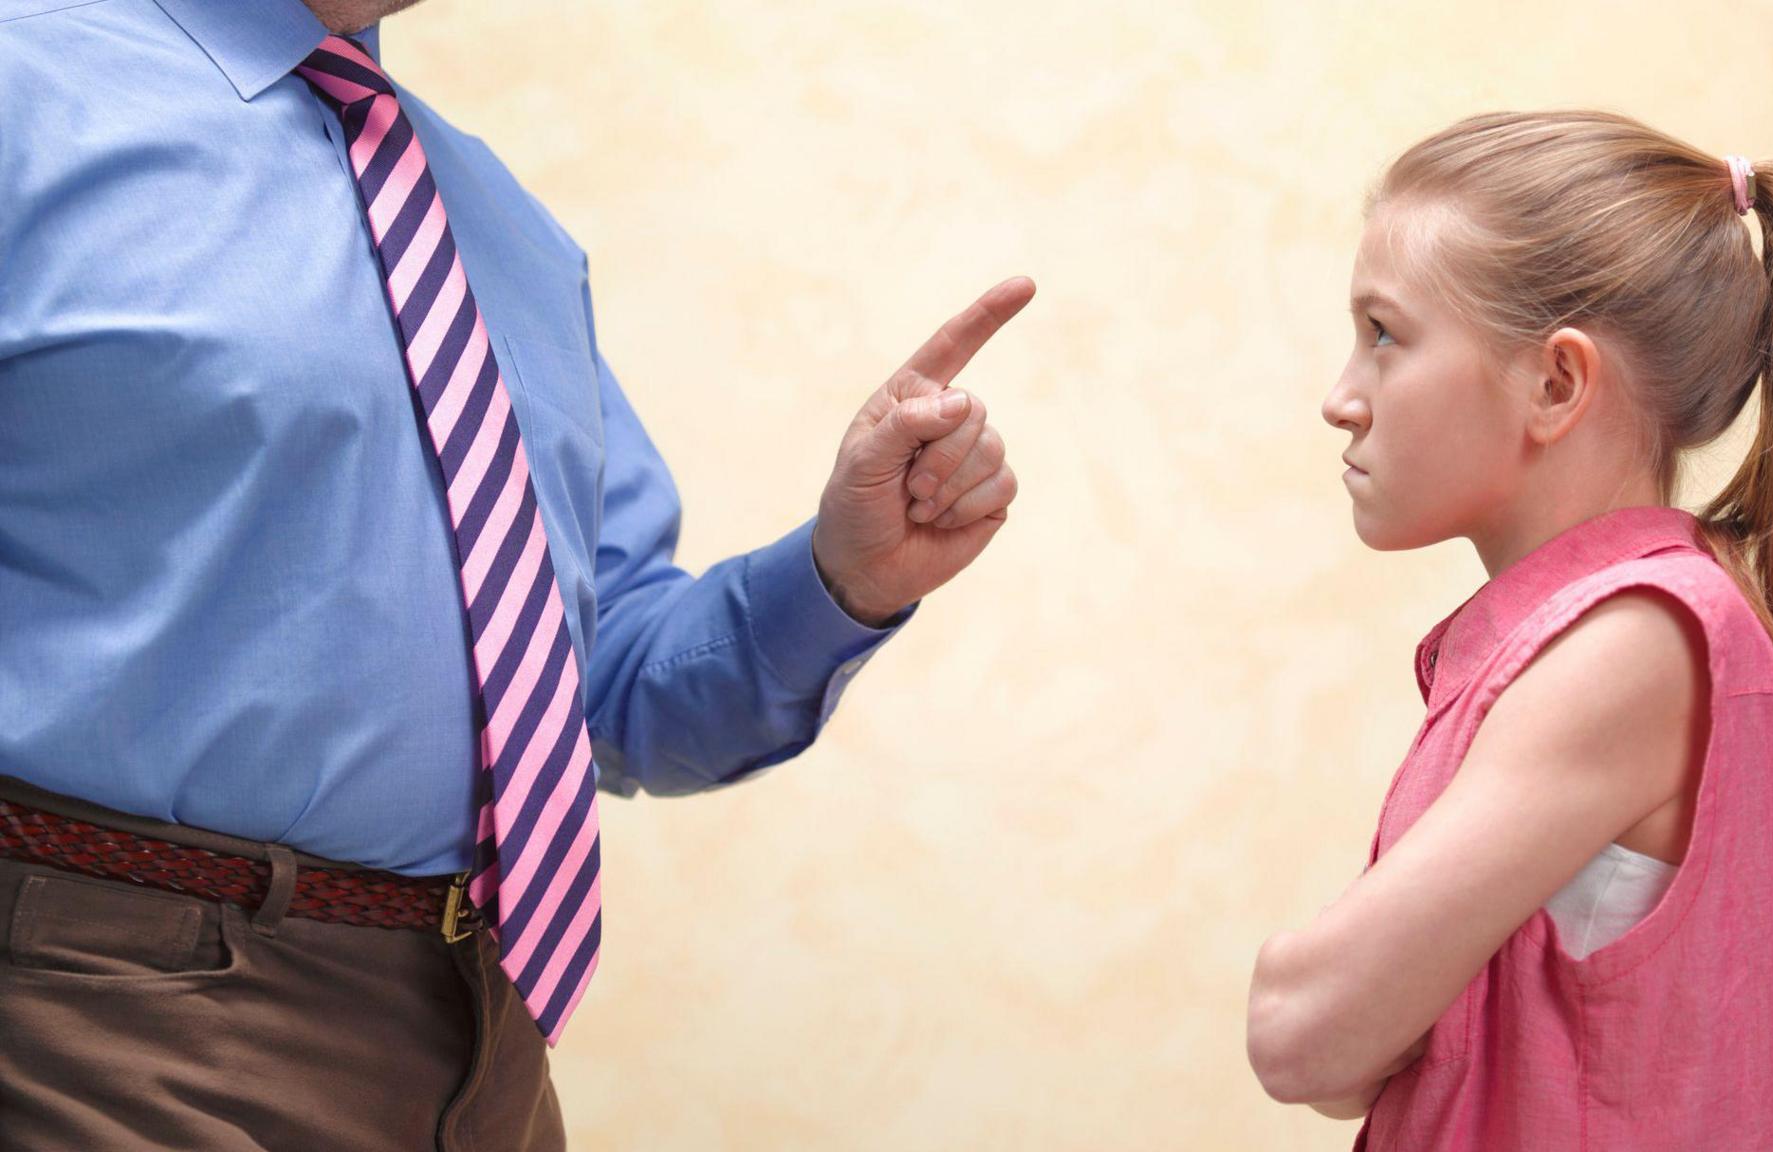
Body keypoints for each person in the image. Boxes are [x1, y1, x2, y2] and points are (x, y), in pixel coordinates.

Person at [0, 1, 1029, 1148]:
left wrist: (842, 575)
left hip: (482, 1043)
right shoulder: (24, 89)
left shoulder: (504, 236)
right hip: (87, 1004)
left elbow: (603, 695)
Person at [1245, 111, 1773, 1150]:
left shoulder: (1633, 646)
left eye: (1383, 335)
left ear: (1554, 385)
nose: (1342, 398)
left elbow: (1303, 1035)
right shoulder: (1586, 640)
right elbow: (1339, 1059)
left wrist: (1314, 979)